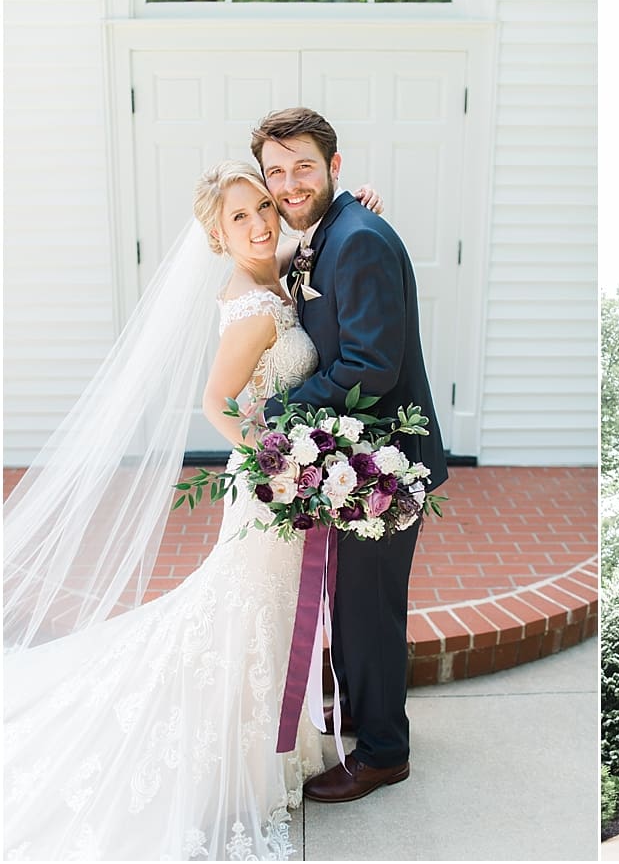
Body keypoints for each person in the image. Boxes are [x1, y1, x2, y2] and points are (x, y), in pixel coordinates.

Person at [2, 162, 384, 859]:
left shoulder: (274, 270)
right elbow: (216, 404)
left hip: (280, 485)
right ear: (216, 234)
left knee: (267, 615)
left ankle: (279, 743)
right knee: (249, 614)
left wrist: (353, 203)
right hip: (269, 490)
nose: (260, 222)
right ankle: (236, 755)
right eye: (239, 217)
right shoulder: (250, 307)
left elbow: (313, 242)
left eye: (264, 206)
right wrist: (280, 465)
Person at [251, 107, 448, 803]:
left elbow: (370, 364)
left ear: (335, 166)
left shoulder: (357, 237)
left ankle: (383, 752)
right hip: (353, 459)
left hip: (382, 466)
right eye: (276, 170)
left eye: (303, 165)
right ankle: (368, 708)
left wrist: (284, 410)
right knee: (356, 603)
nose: (288, 182)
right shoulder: (321, 234)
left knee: (368, 609)